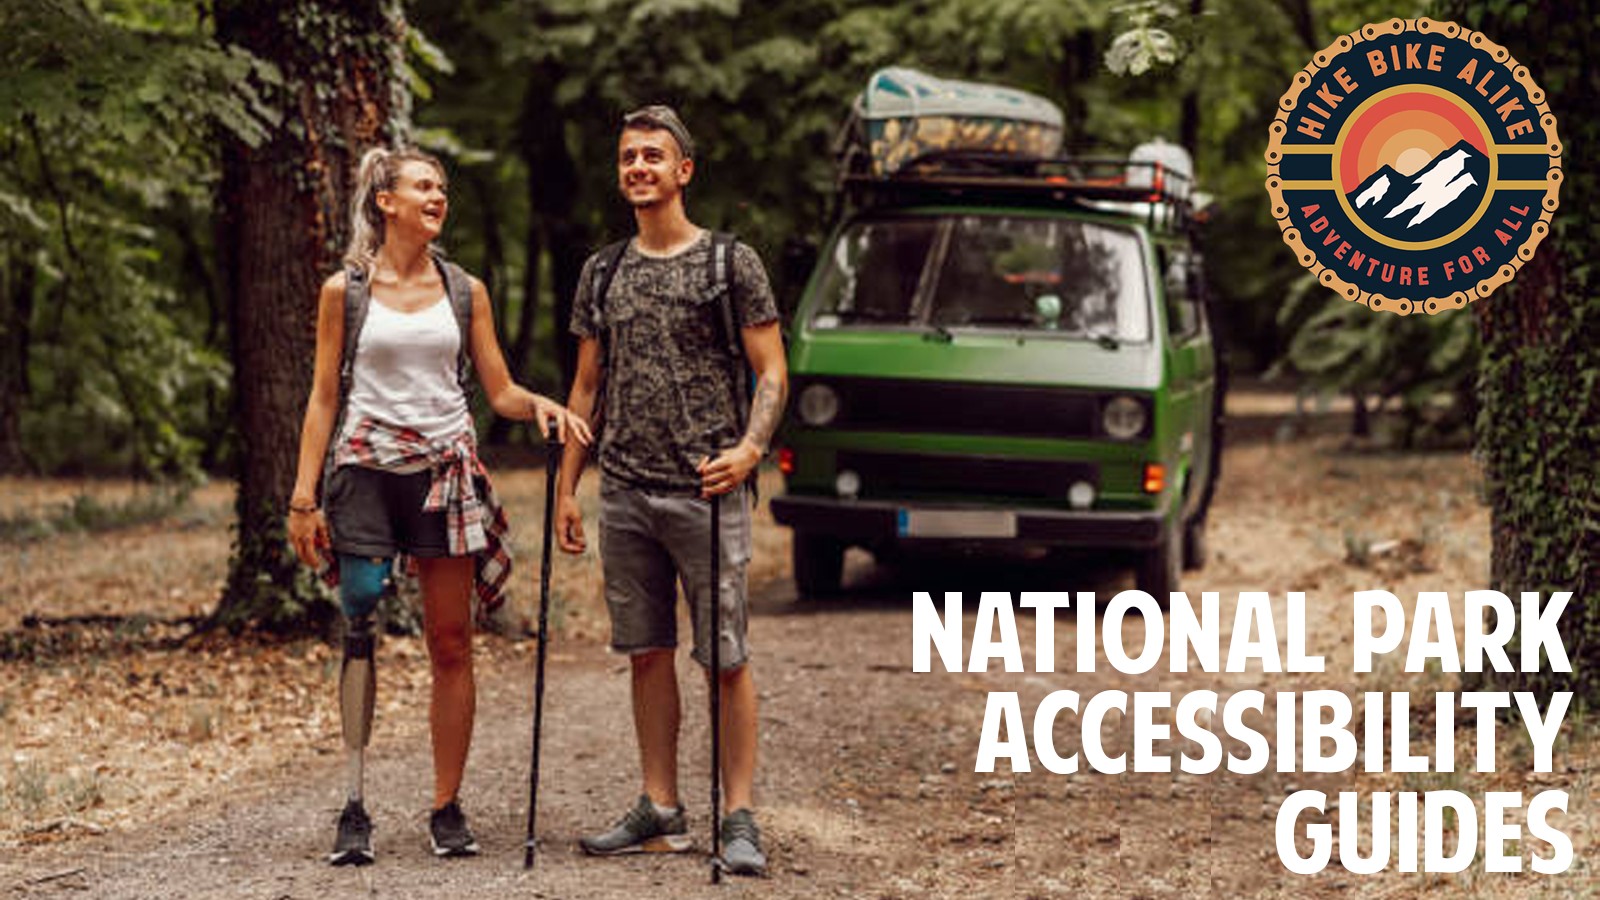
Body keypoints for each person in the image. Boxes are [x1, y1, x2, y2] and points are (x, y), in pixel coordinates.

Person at [286, 147, 590, 866]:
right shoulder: (346, 290)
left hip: (445, 471)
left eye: (442, 187)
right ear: (385, 200)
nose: (437, 195)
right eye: (423, 185)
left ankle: (446, 806)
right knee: (359, 604)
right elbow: (324, 394)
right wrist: (304, 497)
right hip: (364, 469)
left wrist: (541, 406)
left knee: (451, 643)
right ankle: (354, 803)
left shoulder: (465, 290)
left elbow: (500, 389)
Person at [555, 105, 787, 877]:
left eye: (653, 155)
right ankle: (661, 808)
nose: (638, 168)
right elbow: (586, 387)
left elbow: (772, 371)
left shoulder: (730, 263)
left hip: (706, 492)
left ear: (684, 170)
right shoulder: (604, 270)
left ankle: (740, 815)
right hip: (624, 491)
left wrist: (751, 448)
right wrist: (566, 490)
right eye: (627, 157)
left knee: (724, 656)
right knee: (645, 653)